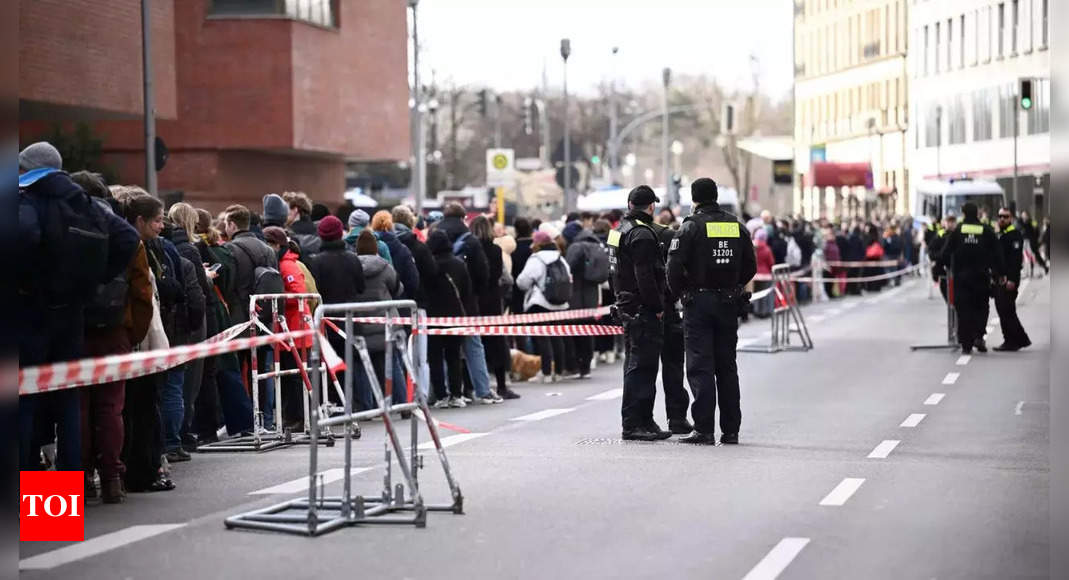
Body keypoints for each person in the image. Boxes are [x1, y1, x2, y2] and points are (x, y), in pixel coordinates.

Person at [70, 171, 152, 503]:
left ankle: (70, 491)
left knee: (70, 409)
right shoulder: (124, 235)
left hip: (68, 331)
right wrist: (133, 332)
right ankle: (111, 479)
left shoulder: (58, 226)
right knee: (110, 407)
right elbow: (142, 291)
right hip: (115, 329)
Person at [667, 178, 757, 445]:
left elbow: (673, 268)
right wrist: (734, 284)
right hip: (729, 302)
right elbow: (750, 265)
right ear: (716, 196)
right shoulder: (735, 225)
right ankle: (731, 431)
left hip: (699, 303)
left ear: (694, 199)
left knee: (700, 366)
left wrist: (682, 293)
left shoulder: (690, 227)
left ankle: (704, 429)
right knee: (727, 367)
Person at [607, 185, 671, 441]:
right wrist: (656, 307)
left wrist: (620, 299)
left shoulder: (617, 231)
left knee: (638, 366)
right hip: (643, 308)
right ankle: (634, 424)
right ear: (651, 206)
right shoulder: (642, 234)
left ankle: (645, 420)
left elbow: (612, 271)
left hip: (626, 305)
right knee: (642, 368)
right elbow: (645, 276)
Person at [436, 203, 495, 403]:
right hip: (466, 303)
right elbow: (482, 273)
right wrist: (473, 294)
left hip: (440, 303)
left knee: (444, 350)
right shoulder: (470, 239)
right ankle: (482, 390)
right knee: (474, 347)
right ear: (463, 217)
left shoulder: (434, 235)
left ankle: (445, 392)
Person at [305, 216, 366, 407]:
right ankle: (354, 402)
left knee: (328, 363)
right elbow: (361, 287)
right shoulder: (353, 259)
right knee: (351, 362)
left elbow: (316, 290)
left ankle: (332, 401)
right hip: (350, 318)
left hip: (326, 322)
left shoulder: (316, 262)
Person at [263, 226, 315, 428]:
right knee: (289, 376)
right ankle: (293, 417)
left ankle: (300, 418)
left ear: (276, 245)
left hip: (295, 327)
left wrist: (278, 298)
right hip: (288, 328)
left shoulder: (287, 265)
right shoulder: (283, 263)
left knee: (295, 377)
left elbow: (299, 293)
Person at [938, 203, 1005, 354]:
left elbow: (945, 253)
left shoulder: (958, 231)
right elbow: (997, 253)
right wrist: (999, 272)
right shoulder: (986, 230)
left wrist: (947, 266)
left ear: (963, 213)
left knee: (963, 309)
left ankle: (966, 343)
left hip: (962, 278)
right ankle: (979, 336)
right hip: (981, 276)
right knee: (981, 307)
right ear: (977, 213)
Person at [351, 230, 405, 410]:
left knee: (363, 365)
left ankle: (368, 406)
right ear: (376, 247)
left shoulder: (353, 266)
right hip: (385, 324)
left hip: (361, 324)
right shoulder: (385, 266)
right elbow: (398, 289)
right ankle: (403, 403)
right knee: (393, 364)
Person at [516, 231, 572, 383]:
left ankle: (546, 373)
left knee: (543, 338)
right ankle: (559, 372)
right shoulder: (560, 257)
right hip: (560, 303)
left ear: (538, 244)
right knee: (557, 337)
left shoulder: (536, 259)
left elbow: (523, 281)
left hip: (540, 303)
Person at [425, 230, 472, 408]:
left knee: (435, 357)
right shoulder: (459, 264)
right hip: (456, 316)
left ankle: (440, 395)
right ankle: (456, 393)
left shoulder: (431, 265)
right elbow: (467, 291)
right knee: (454, 356)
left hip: (434, 317)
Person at [470, 216, 515, 400]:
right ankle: (502, 384)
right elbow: (505, 277)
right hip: (494, 300)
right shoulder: (496, 250)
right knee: (497, 341)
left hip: (475, 300)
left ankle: (472, 387)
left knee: (474, 343)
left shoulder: (469, 249)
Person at [564, 223, 610, 379]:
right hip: (592, 294)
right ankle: (587, 366)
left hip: (576, 294)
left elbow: (567, 269)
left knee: (576, 330)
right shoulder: (596, 244)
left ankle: (577, 365)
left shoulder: (575, 247)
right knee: (588, 330)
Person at [993, 208, 1032, 351]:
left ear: (1011, 218)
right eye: (1000, 216)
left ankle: (1018, 339)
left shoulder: (1014, 235)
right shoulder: (1000, 234)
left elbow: (1015, 261)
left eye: (1005, 216)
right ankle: (1012, 339)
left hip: (1008, 279)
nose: (1002, 219)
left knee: (1006, 310)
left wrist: (1012, 280)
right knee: (1004, 310)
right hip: (999, 279)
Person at [371, 211, 419, 303]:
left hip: (371, 306)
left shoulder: (366, 247)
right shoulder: (403, 249)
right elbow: (413, 281)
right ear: (391, 225)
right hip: (399, 303)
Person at [283, 191, 321, 256]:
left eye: (285, 209)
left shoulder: (288, 235)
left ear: (295, 210)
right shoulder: (320, 232)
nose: (282, 213)